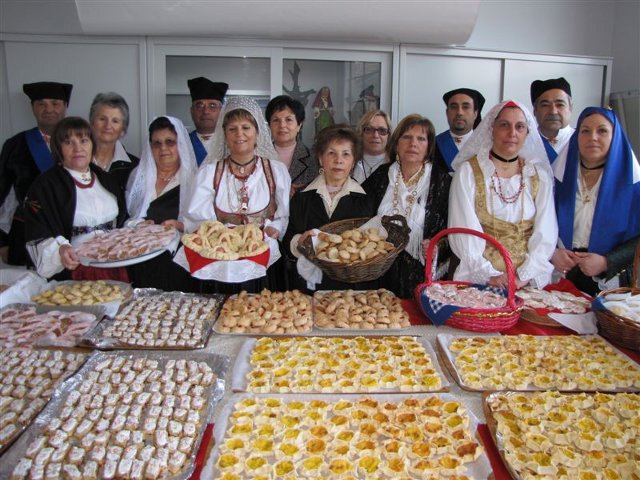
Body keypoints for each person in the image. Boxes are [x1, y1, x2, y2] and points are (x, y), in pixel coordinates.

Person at [183, 96, 291, 293]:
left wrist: (274, 228)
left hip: (262, 264)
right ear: (224, 134)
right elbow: (198, 220)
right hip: (220, 267)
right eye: (232, 129)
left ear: (258, 133)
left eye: (246, 127)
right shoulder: (209, 173)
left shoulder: (276, 171)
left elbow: (283, 215)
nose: (239, 134)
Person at [448, 100, 557, 289]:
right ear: (492, 129)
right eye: (504, 125)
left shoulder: (538, 176)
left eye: (520, 126)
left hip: (527, 282)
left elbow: (546, 232)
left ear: (527, 132)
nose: (512, 133)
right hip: (480, 280)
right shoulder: (469, 172)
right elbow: (463, 228)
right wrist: (491, 276)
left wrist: (524, 276)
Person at [23, 117, 127, 280]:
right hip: (74, 272)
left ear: (92, 145)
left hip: (115, 267)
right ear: (58, 149)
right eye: (68, 142)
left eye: (84, 140)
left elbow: (123, 221)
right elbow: (37, 230)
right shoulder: (45, 186)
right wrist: (59, 251)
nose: (78, 148)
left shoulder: (107, 180)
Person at [552, 107, 640, 295]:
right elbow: (535, 223)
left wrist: (607, 261)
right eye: (585, 131)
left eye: (602, 130)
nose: (593, 137)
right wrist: (552, 253)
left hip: (609, 278)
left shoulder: (634, 185)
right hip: (561, 269)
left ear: (614, 137)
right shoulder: (556, 178)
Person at [363, 114, 452, 298]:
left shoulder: (443, 181)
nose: (413, 144)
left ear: (429, 147)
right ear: (396, 143)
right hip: (379, 274)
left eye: (421, 139)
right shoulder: (380, 176)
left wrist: (437, 247)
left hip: (420, 277)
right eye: (407, 137)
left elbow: (454, 230)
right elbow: (360, 217)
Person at [284, 125, 376, 291]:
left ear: (353, 160)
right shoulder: (302, 197)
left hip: (350, 289)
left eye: (346, 154)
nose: (338, 160)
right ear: (320, 158)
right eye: (331, 153)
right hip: (308, 286)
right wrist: (299, 242)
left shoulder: (366, 199)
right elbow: (287, 236)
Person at [0, 81, 72, 265]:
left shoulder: (81, 143)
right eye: (41, 104)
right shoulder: (15, 145)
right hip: (26, 233)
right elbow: (4, 197)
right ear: (33, 108)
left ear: (65, 106)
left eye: (55, 103)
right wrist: (2, 241)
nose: (49, 109)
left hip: (71, 234)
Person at [125, 116, 198, 291]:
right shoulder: (138, 177)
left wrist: (180, 225)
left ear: (180, 144)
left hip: (179, 262)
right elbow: (126, 217)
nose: (163, 148)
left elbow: (204, 223)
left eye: (169, 142)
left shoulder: (194, 181)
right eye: (156, 143)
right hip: (140, 259)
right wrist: (139, 224)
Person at [266, 95, 317, 194]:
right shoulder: (259, 158)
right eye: (276, 120)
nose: (282, 125)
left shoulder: (313, 159)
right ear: (269, 125)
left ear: (299, 125)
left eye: (288, 120)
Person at [89, 92, 139, 194]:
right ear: (92, 123)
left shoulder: (136, 167)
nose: (108, 126)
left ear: (123, 130)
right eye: (102, 119)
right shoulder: (76, 161)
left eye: (115, 121)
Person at [434, 88, 485, 172]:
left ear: (475, 114)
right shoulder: (432, 145)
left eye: (465, 107)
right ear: (447, 113)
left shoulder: (486, 146)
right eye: (454, 107)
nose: (459, 112)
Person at [531, 77, 574, 163]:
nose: (553, 111)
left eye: (560, 104)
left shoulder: (581, 140)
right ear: (535, 110)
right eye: (545, 105)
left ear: (570, 107)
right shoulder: (526, 142)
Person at [187, 76, 229, 166]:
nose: (206, 111)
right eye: (199, 106)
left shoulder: (231, 142)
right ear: (192, 111)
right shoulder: (182, 142)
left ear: (222, 112)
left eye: (212, 106)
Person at [352, 110, 393, 183]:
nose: (375, 135)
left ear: (389, 135)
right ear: (361, 133)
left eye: (382, 130)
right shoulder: (349, 162)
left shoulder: (396, 166)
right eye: (369, 129)